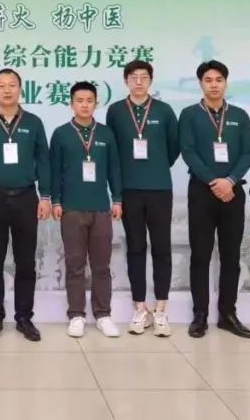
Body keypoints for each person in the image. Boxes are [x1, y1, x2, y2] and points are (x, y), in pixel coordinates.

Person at [0, 68, 51, 342]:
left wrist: (46, 196)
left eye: (12, 85)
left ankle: (24, 317)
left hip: (26, 198)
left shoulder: (34, 122)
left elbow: (44, 161)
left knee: (26, 262)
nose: (7, 90)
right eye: (1, 85)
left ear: (20, 89)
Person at [179, 59, 250, 339]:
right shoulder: (189, 114)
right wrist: (214, 181)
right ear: (201, 83)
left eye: (219, 80)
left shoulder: (239, 116)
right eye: (208, 80)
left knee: (230, 256)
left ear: (225, 83)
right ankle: (200, 315)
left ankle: (227, 314)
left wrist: (230, 181)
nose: (214, 85)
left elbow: (247, 152)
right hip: (202, 192)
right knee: (200, 255)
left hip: (233, 192)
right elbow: (188, 151)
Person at [104, 59, 179, 337]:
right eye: (133, 77)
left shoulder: (164, 110)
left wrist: (155, 165)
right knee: (135, 247)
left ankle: (161, 309)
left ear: (150, 80)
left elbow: (173, 148)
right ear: (126, 81)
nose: (138, 81)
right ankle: (139, 307)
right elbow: (112, 152)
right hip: (129, 189)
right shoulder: (115, 111)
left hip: (159, 188)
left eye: (144, 77)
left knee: (162, 248)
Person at [51, 81, 123, 339]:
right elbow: (54, 170)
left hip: (101, 208)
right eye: (79, 100)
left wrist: (117, 199)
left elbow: (114, 169)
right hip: (71, 208)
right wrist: (56, 201)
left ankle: (103, 315)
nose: (84, 105)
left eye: (89, 100)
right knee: (75, 265)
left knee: (102, 266)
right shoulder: (61, 134)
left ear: (96, 103)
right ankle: (76, 315)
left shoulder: (106, 134)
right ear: (71, 104)